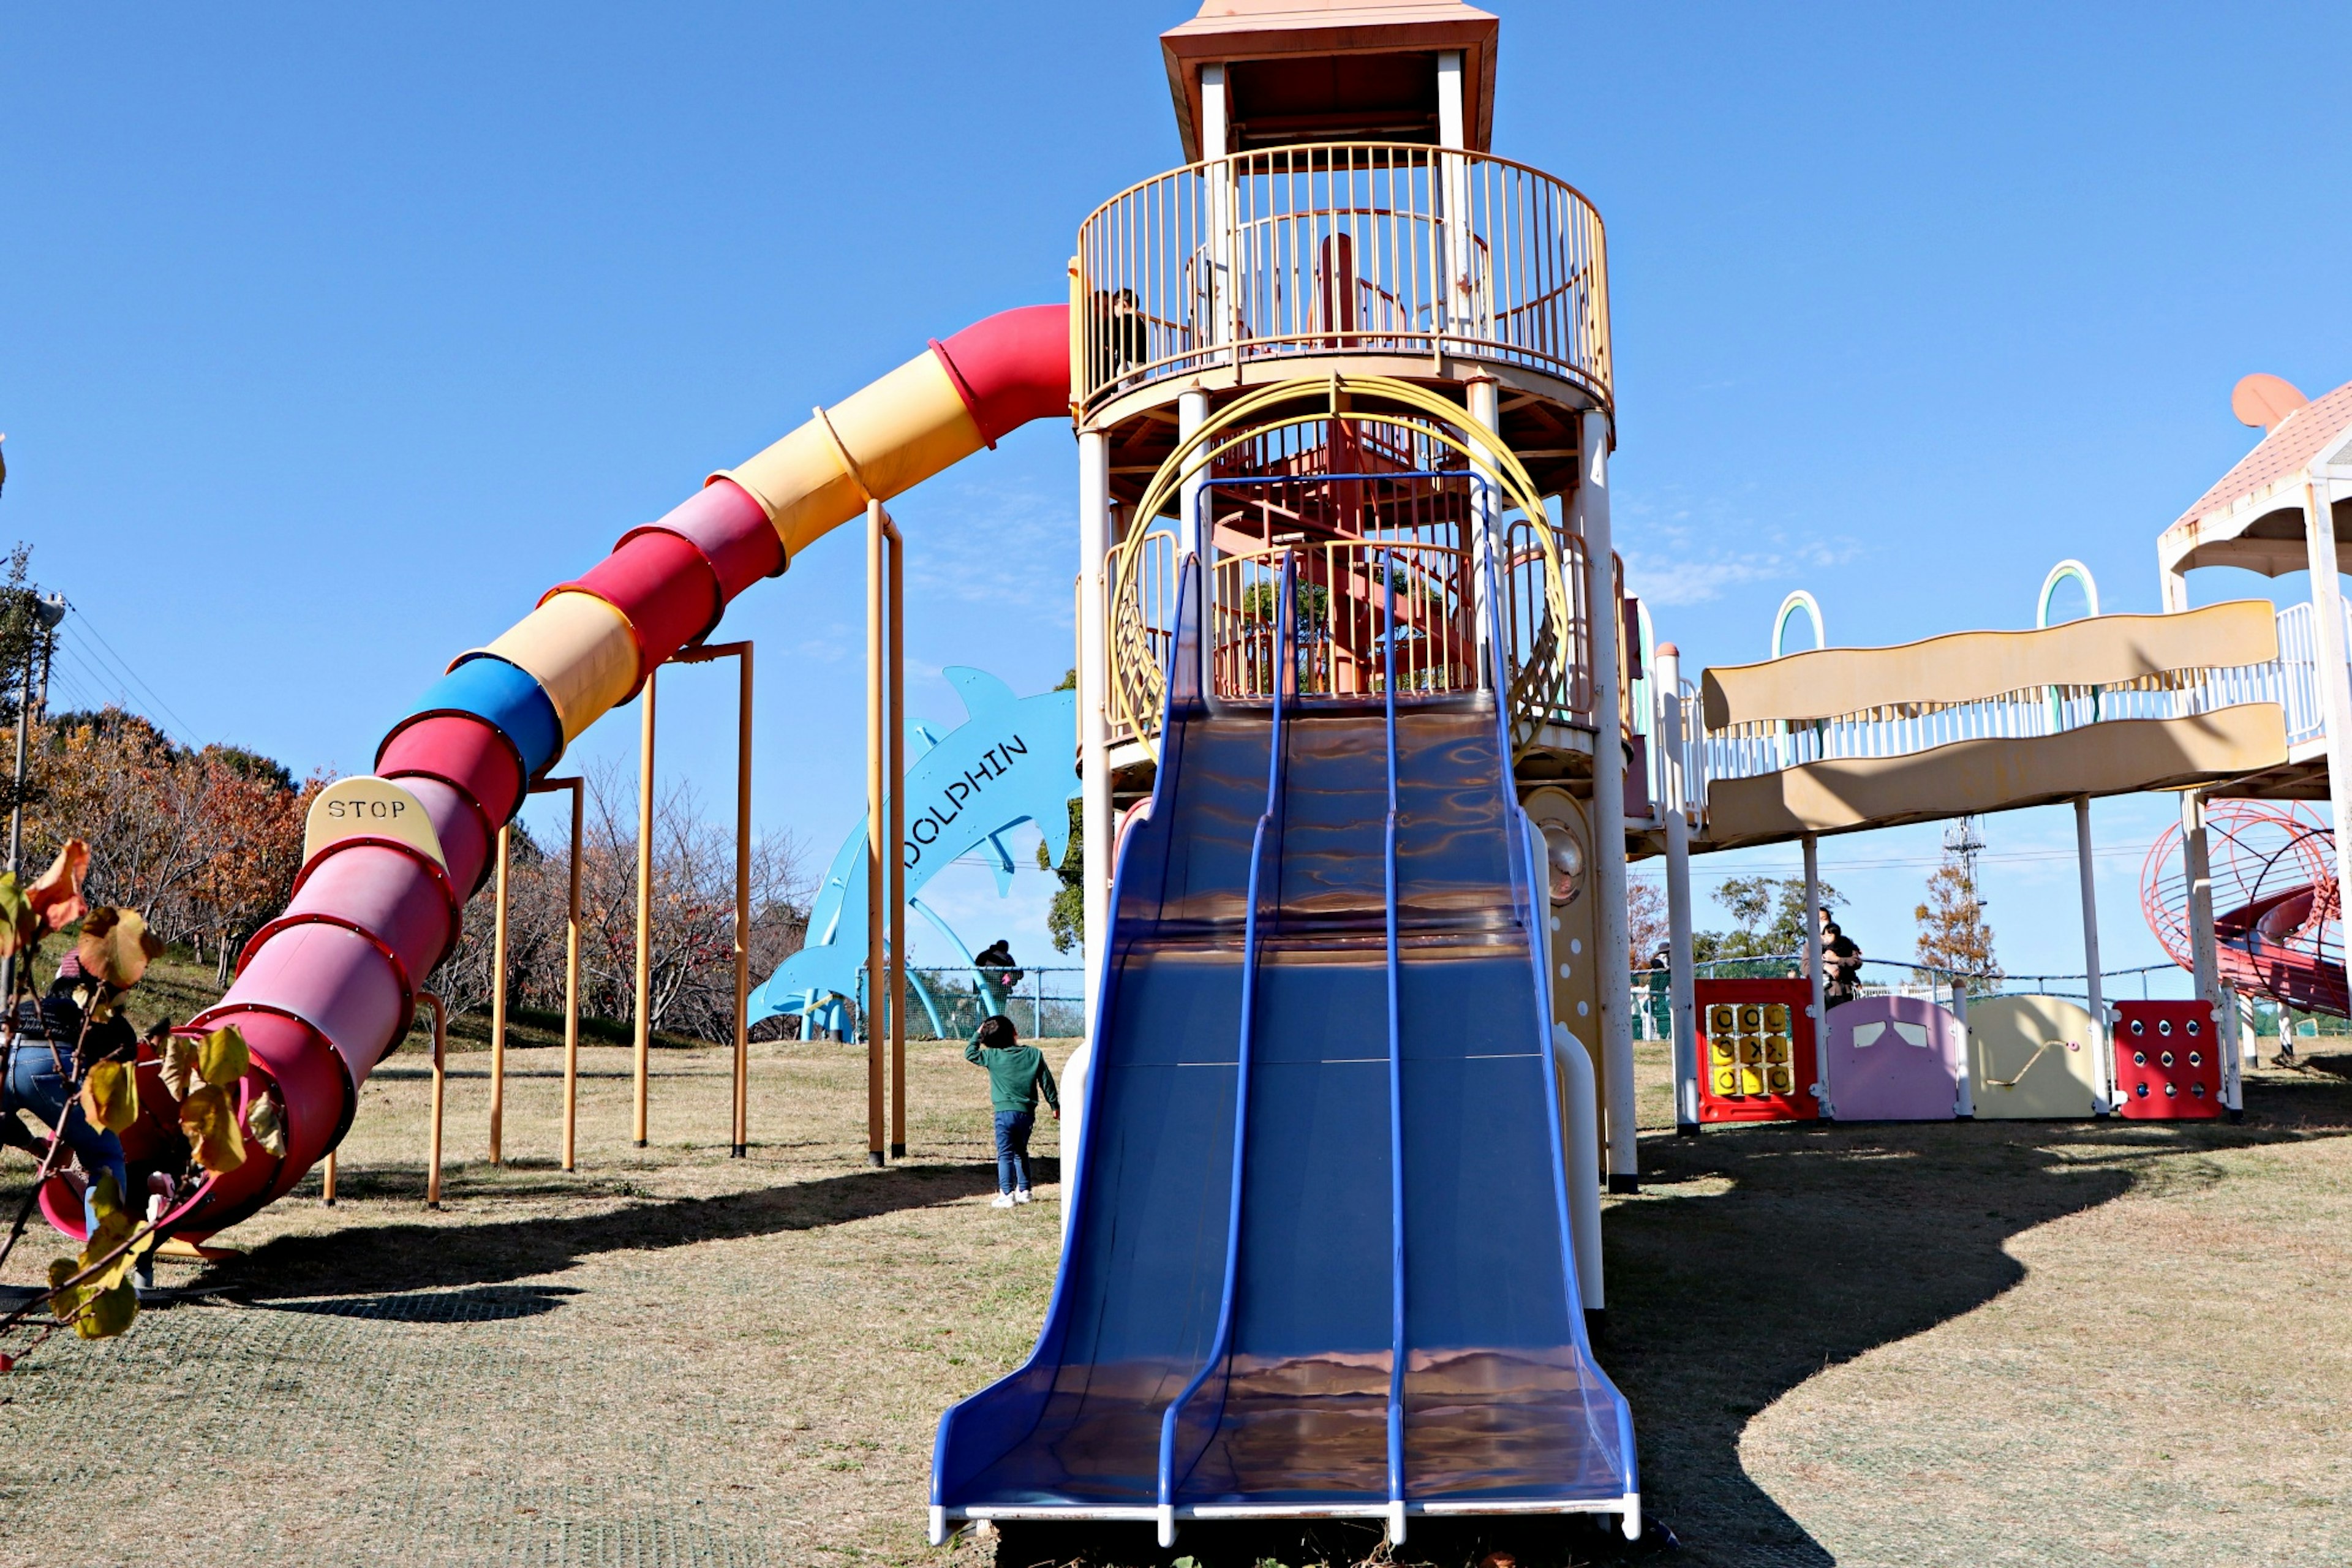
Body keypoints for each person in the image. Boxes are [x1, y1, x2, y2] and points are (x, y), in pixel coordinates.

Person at [1, 952, 151, 1291]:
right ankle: (101, 1274)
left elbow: (2, 1116)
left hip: (3, 1045)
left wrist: (32, 1144)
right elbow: (101, 1105)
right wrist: (72, 1142)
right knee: (106, 1158)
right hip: (52, 1061)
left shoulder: (31, 1006)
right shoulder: (112, 1027)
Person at [964, 1014, 1057, 1208]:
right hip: (1026, 1114)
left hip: (1004, 1113)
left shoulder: (991, 1056)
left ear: (988, 1041)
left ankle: (1006, 1194)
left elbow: (970, 1053)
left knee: (1005, 1154)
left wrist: (978, 1033)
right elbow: (1047, 1082)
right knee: (1020, 1151)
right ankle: (1025, 1190)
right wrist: (1055, 1105)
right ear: (1014, 1032)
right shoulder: (1034, 1054)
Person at [973, 939, 1023, 1018]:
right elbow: (1020, 974)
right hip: (999, 993)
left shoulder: (983, 955)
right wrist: (1010, 977)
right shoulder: (1006, 957)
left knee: (984, 1017)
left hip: (983, 991)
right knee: (997, 1017)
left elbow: (975, 972)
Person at [1822, 921, 1864, 1008]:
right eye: (1826, 935)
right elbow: (1808, 965)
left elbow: (1857, 962)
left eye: (1830, 935)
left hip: (1845, 988)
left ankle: (1859, 990)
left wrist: (1837, 959)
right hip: (1828, 992)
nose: (1827, 938)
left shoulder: (1845, 944)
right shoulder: (1818, 945)